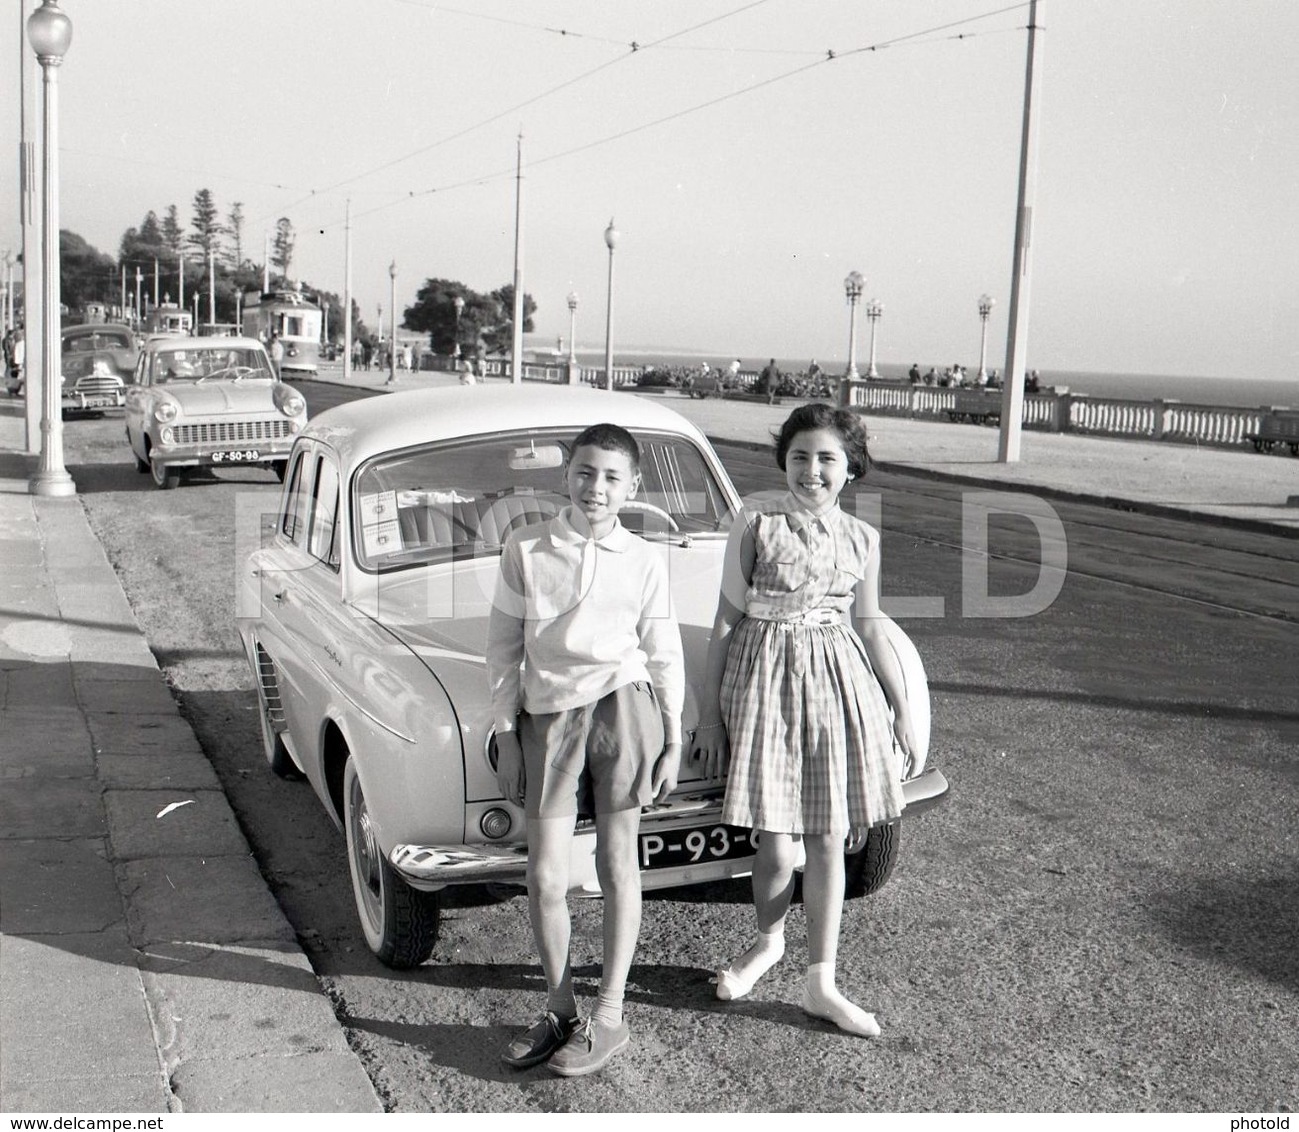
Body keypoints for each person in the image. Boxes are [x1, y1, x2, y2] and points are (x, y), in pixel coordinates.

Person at [690, 403, 915, 1039]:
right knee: (775, 840)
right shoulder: (756, 521)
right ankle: (767, 942)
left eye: (826, 459)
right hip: (762, 683)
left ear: (850, 469)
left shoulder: (863, 538)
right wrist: (709, 718)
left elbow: (867, 624)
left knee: (826, 836)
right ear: (782, 461)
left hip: (836, 686)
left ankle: (823, 979)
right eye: (799, 457)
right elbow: (726, 623)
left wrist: (899, 707)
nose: (811, 471)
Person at [489, 423, 685, 1077]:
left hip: (624, 714)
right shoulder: (525, 547)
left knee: (614, 864)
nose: (595, 486)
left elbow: (662, 652)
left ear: (631, 487)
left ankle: (608, 1016)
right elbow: (504, 647)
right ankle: (560, 1009)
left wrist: (672, 738)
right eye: (584, 471)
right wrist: (505, 730)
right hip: (547, 720)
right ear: (565, 474)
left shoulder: (643, 558)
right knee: (544, 876)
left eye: (610, 476)